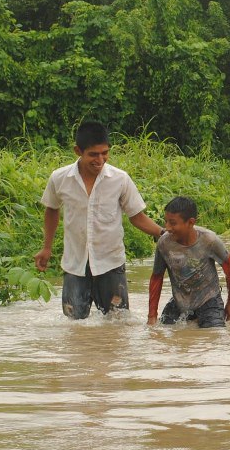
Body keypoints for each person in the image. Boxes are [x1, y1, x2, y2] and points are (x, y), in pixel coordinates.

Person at [34, 121, 164, 319]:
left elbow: (137, 217)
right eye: (93, 154)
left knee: (118, 326)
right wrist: (47, 248)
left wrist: (164, 234)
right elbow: (52, 210)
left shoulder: (120, 179)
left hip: (111, 263)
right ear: (78, 151)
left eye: (105, 153)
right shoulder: (59, 178)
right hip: (75, 264)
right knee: (73, 327)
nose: (100, 160)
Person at [148, 196, 230, 327]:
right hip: (180, 302)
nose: (167, 227)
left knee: (214, 334)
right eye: (166, 221)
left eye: (172, 223)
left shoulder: (209, 240)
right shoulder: (164, 244)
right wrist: (152, 316)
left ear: (190, 222)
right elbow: (157, 277)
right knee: (162, 330)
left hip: (209, 300)